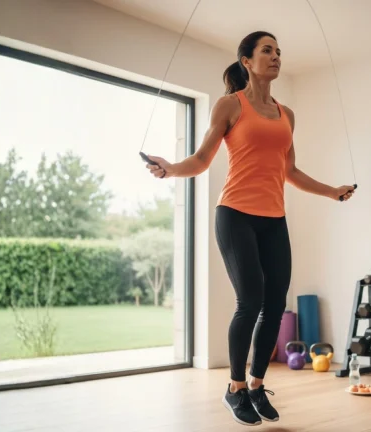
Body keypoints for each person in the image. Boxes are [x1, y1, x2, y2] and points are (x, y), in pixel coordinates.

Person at [144, 30, 355, 426]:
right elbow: (203, 159)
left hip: (274, 218)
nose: (276, 57)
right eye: (267, 50)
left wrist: (331, 192)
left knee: (275, 304)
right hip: (235, 214)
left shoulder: (287, 114)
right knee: (250, 301)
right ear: (247, 61)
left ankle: (257, 386)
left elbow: (289, 170)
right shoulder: (230, 105)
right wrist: (171, 168)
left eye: (279, 51)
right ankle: (235, 388)